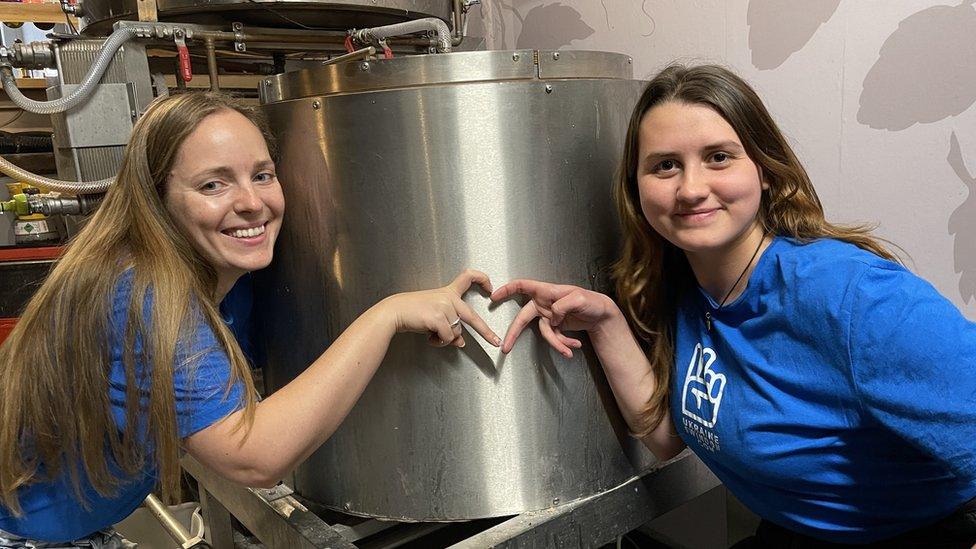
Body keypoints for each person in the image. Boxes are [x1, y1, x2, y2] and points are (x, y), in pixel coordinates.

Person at [491, 64, 976, 547]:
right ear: (636, 189)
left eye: (719, 157)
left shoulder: (851, 295)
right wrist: (606, 322)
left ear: (764, 171)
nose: (691, 189)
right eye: (665, 165)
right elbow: (667, 438)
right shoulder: (683, 284)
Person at [0, 91, 501, 546]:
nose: (252, 203)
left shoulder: (223, 275)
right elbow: (253, 457)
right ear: (157, 199)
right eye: (213, 184)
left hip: (77, 520)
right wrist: (388, 313)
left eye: (262, 174)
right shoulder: (140, 295)